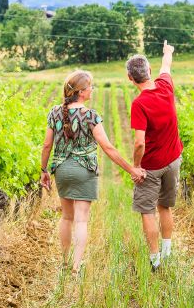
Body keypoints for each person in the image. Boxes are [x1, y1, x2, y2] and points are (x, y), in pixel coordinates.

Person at [40, 70, 145, 275]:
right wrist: (131, 168)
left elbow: (46, 145)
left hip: (61, 169)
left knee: (66, 217)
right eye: (90, 87)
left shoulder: (54, 112)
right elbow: (108, 148)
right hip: (85, 170)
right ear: (81, 92)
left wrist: (44, 170)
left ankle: (64, 261)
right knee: (81, 220)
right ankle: (76, 267)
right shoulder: (91, 116)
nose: (93, 90)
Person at [126, 41, 183, 272]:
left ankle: (155, 259)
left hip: (150, 167)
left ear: (130, 79)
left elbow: (140, 142)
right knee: (165, 207)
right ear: (149, 72)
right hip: (173, 161)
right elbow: (166, 66)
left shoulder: (139, 104)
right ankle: (167, 251)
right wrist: (167, 51)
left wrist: (136, 166)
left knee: (147, 211)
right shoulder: (165, 86)